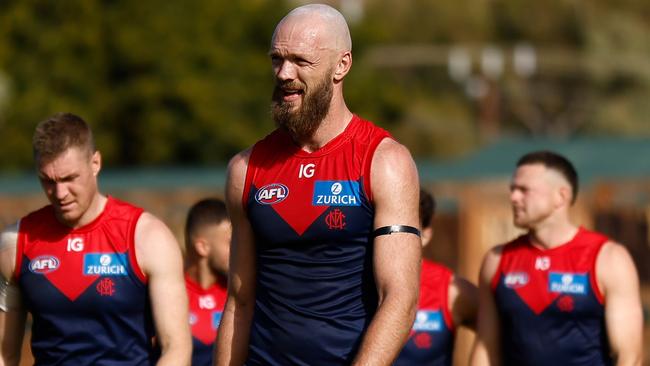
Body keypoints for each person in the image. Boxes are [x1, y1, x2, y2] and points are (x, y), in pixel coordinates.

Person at [215, 4, 421, 365]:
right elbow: (239, 300)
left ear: (342, 65)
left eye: (300, 61)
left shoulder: (385, 162)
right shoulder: (245, 169)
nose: (283, 73)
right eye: (277, 59)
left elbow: (399, 300)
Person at [0, 112, 191, 365]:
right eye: (47, 180)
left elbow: (176, 349)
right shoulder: (15, 243)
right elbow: (4, 354)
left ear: (95, 163)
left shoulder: (147, 237)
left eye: (69, 178)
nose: (59, 193)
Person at [470, 150, 643, 366]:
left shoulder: (608, 258)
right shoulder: (497, 260)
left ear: (561, 196)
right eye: (513, 189)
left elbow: (629, 357)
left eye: (524, 190)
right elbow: (486, 347)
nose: (513, 197)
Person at [395, 189, 477, 365]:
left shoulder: (451, 290)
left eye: (405, 226)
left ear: (426, 234)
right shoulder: (352, 284)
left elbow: (504, 336)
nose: (394, 234)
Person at [183, 198, 231, 366]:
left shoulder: (241, 296)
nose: (239, 250)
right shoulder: (169, 295)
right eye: (231, 243)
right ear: (202, 247)